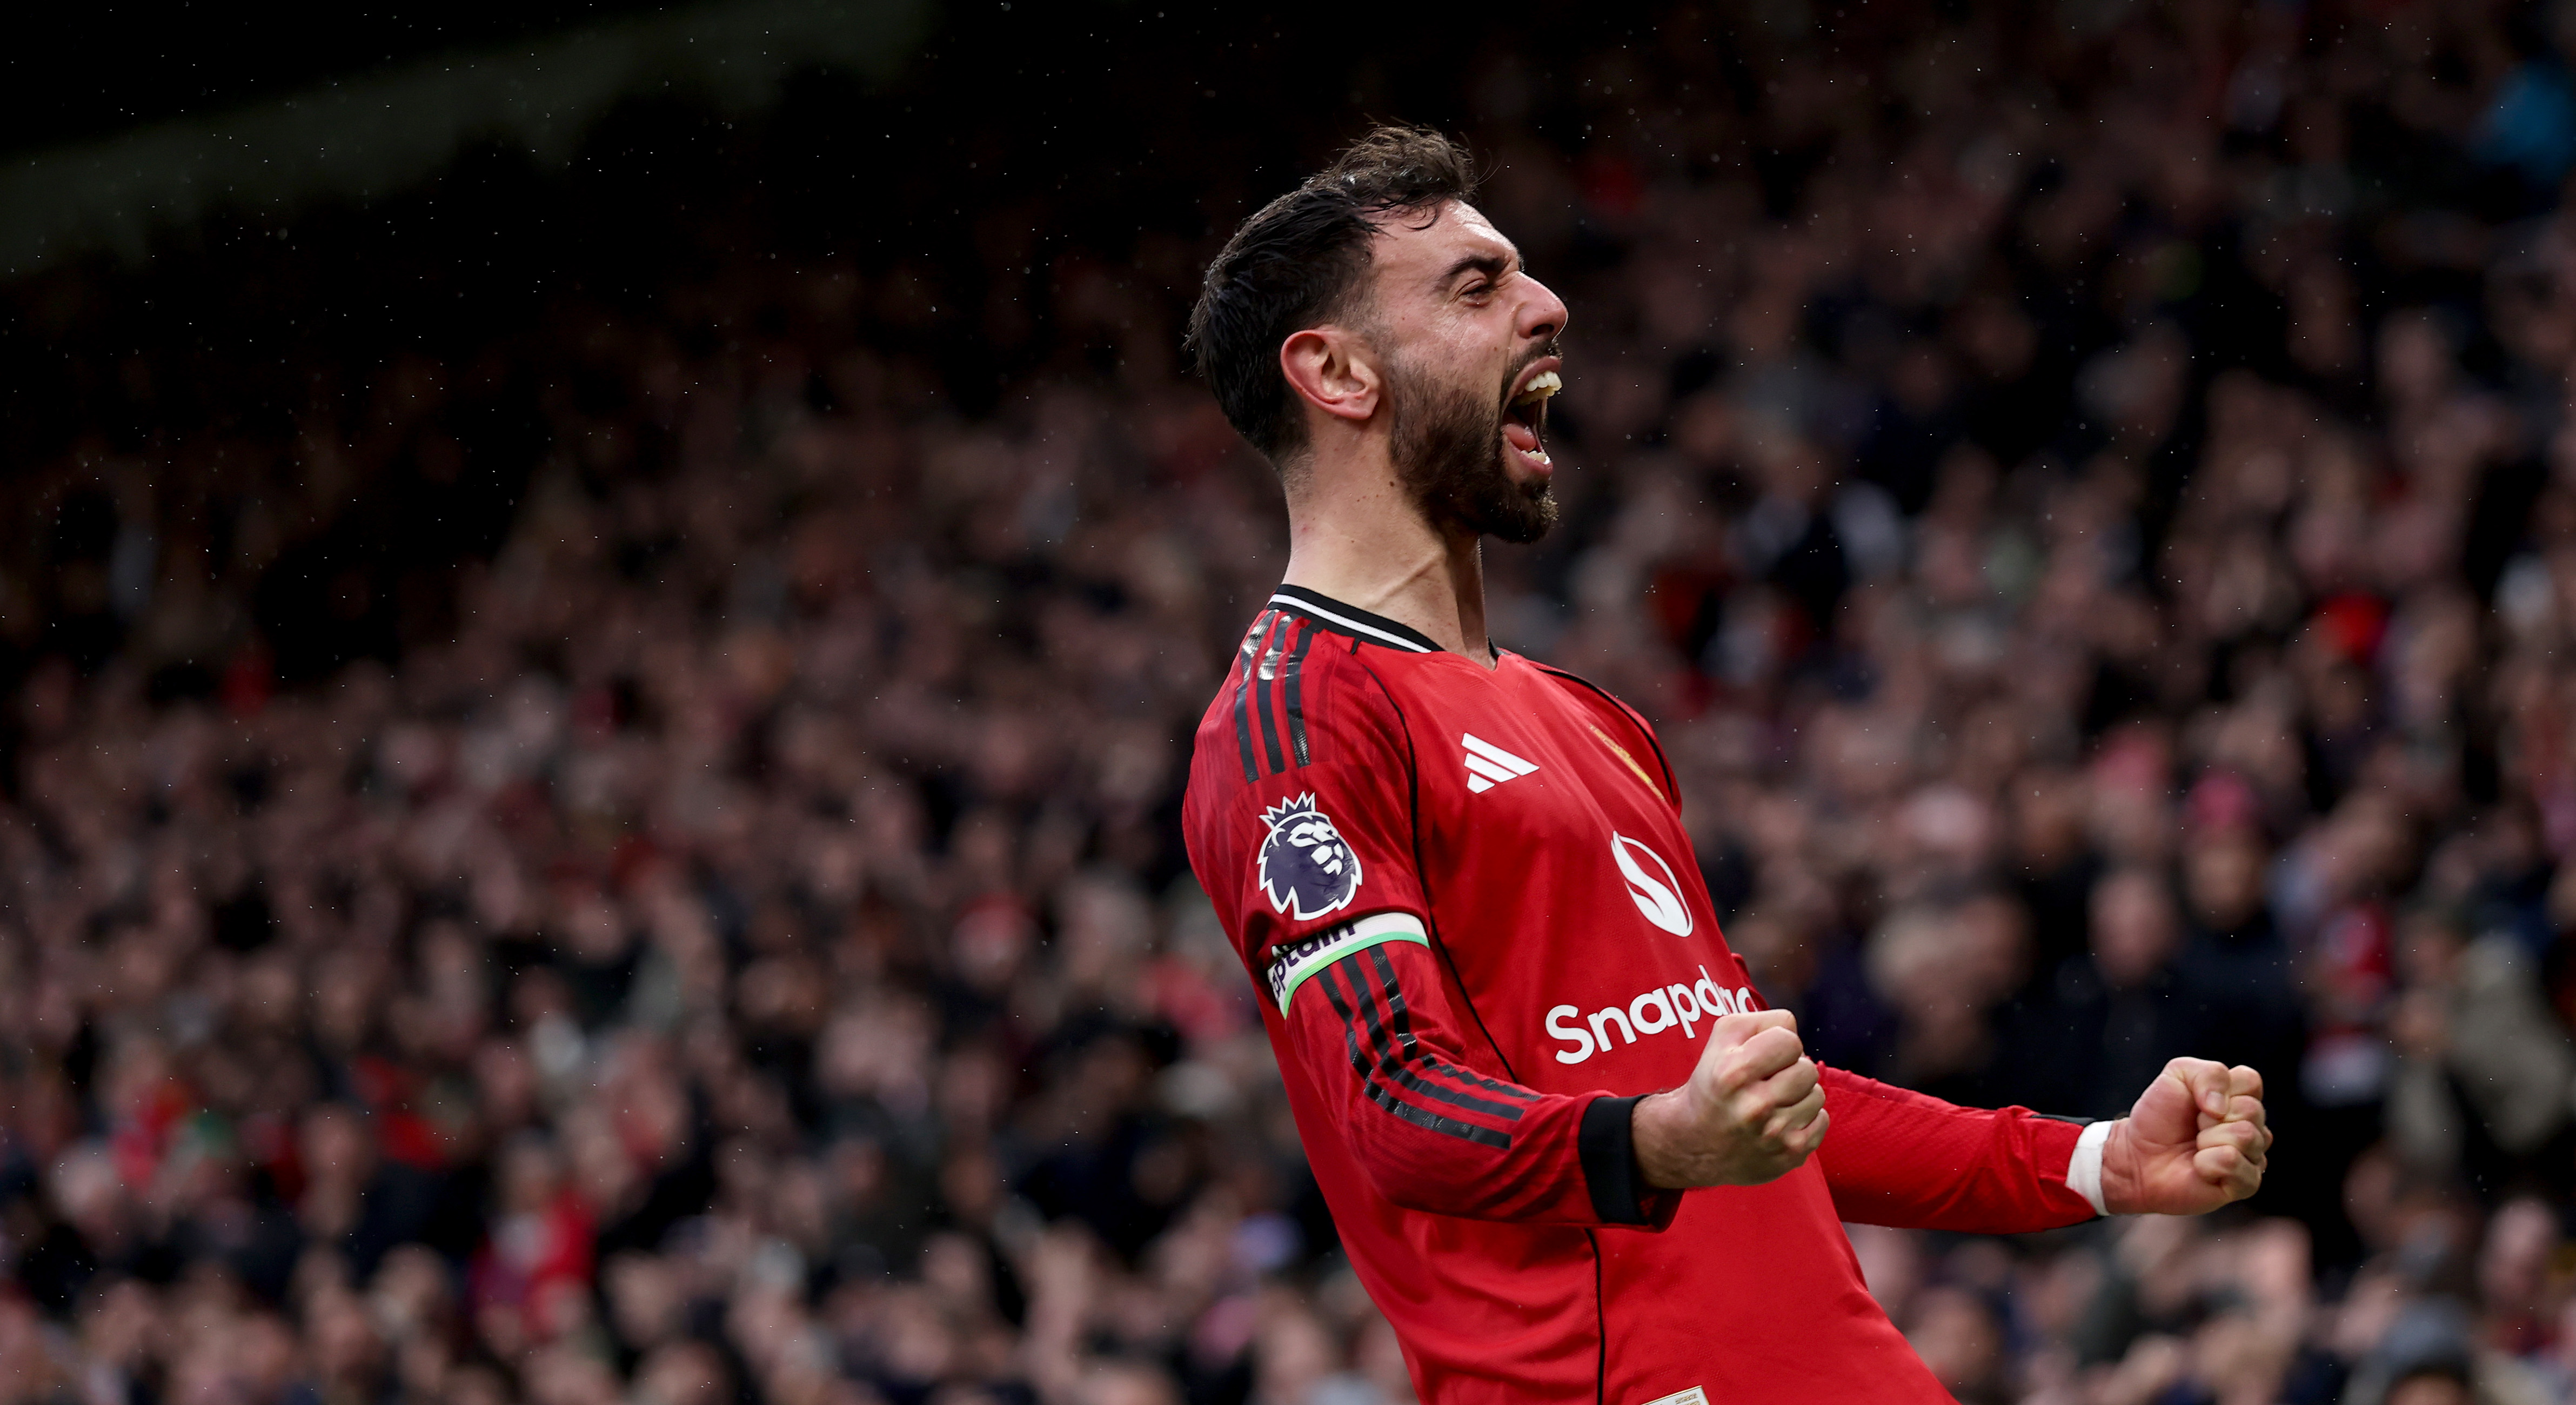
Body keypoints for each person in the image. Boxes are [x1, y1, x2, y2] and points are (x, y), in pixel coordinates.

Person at [1177, 126, 2274, 1405]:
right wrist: (1658, 1139)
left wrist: (2089, 1162)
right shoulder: (1296, 722)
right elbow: (1396, 1104)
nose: (1547, 306)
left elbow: (1764, 1103)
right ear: (1333, 371)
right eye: (1475, 287)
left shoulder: (1588, 715)